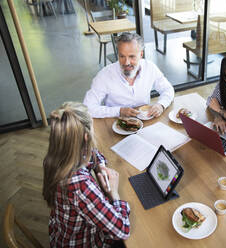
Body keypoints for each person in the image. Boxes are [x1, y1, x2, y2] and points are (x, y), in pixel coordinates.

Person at [42, 102, 130, 247]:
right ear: (85, 137)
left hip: (61, 233)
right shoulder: (79, 185)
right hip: (83, 242)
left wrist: (100, 166)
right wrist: (114, 194)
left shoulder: (56, 157)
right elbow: (122, 230)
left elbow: (92, 153)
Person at [83, 32, 174, 118]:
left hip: (145, 120)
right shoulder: (105, 75)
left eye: (132, 56)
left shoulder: (150, 68)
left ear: (141, 54)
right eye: (122, 56)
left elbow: (168, 89)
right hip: (115, 123)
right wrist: (119, 111)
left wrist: (161, 105)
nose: (126, 63)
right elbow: (88, 108)